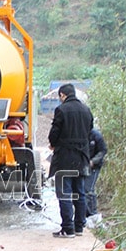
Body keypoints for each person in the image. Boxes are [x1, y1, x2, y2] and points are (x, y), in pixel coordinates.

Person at [48, 83, 93, 238]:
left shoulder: (61, 110)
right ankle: (79, 227)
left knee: (65, 193)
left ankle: (68, 228)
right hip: (82, 157)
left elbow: (54, 132)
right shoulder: (86, 110)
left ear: (62, 95)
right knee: (80, 192)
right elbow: (90, 131)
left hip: (65, 157)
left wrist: (53, 144)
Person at [84, 127, 107, 217]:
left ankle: (92, 212)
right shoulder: (79, 134)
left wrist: (93, 161)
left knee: (88, 189)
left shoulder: (96, 135)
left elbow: (103, 150)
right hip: (82, 166)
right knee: (80, 190)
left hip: (94, 166)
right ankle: (83, 213)